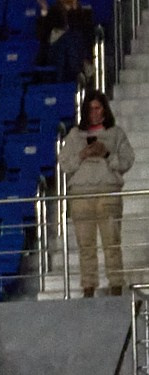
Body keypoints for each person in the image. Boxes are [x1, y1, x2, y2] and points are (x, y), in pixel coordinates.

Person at [59, 88, 132, 297]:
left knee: (112, 242)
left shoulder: (116, 133)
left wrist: (106, 154)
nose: (95, 113)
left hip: (108, 192)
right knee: (86, 245)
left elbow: (127, 161)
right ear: (85, 112)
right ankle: (88, 287)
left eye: (98, 108)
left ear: (104, 110)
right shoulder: (74, 135)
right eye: (90, 109)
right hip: (81, 195)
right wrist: (83, 154)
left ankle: (116, 285)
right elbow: (65, 164)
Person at [36, 0, 100, 82]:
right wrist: (44, 12)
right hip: (55, 53)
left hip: (72, 53)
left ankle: (77, 72)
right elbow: (41, 35)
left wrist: (74, 9)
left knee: (72, 37)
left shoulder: (84, 12)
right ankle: (82, 66)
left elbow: (86, 35)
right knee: (68, 37)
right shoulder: (51, 12)